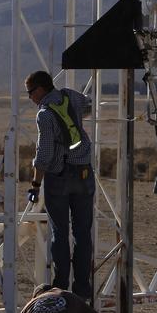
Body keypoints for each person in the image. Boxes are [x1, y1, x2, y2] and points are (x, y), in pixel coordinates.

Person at [25, 69, 94, 298]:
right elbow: (88, 106)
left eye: (31, 92)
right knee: (83, 233)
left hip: (59, 176)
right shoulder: (70, 97)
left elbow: (44, 153)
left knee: (60, 233)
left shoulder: (44, 114)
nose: (30, 97)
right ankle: (83, 287)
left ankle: (61, 286)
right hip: (84, 173)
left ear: (41, 88)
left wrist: (35, 184)